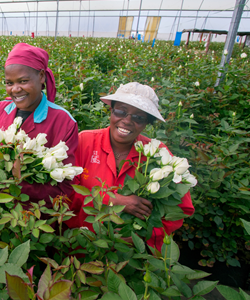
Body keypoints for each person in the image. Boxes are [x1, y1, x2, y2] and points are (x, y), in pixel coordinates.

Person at [67, 82, 194, 251]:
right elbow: (63, 192)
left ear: (147, 123)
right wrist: (113, 201)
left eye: (138, 117)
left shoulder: (157, 154)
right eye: (121, 111)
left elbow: (179, 210)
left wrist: (140, 237)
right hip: (80, 246)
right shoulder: (85, 142)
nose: (127, 121)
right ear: (111, 111)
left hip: (129, 255)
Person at [0, 43, 78, 205]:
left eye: (23, 81)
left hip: (35, 217)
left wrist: (14, 184)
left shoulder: (63, 121)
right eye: (9, 83)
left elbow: (66, 187)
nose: (15, 89)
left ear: (41, 77)